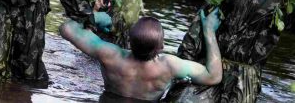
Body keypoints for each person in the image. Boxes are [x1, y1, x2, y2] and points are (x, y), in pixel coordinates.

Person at [59, 9, 223, 102]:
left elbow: (66, 28)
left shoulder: (110, 54)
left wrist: (97, 17)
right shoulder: (169, 66)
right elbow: (214, 76)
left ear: (129, 42)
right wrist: (209, 31)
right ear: (161, 47)